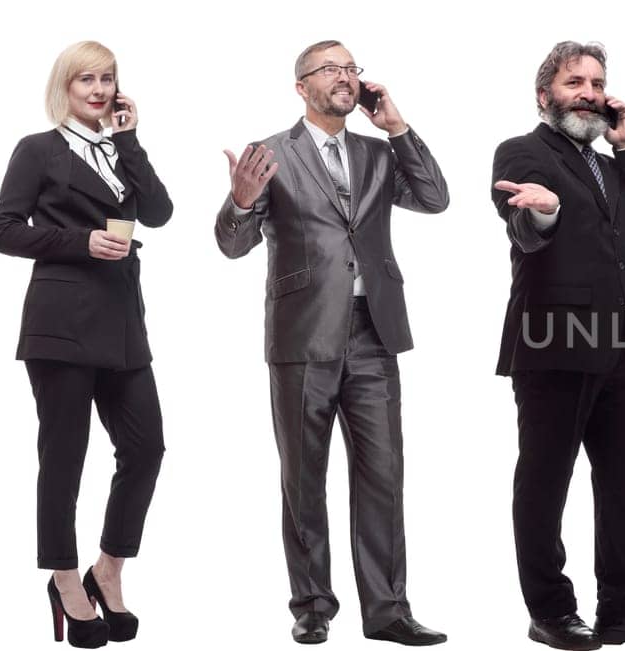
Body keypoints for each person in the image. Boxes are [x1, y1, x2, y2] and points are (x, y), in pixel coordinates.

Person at [214, 39, 449, 646]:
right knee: (304, 476)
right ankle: (313, 604)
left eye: (352, 69)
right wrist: (241, 201)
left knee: (383, 474)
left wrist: (398, 128)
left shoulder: (377, 152)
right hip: (302, 334)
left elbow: (434, 198)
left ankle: (389, 610)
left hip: (374, 329)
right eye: (331, 69)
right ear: (302, 86)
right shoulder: (270, 153)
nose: (345, 78)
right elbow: (232, 244)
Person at [491, 40, 625, 651]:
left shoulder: (610, 161)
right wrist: (544, 211)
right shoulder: (523, 151)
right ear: (544, 94)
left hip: (620, 343)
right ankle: (550, 610)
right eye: (574, 80)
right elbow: (521, 227)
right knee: (546, 480)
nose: (589, 91)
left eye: (597, 81)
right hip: (552, 341)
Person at [0, 40, 171, 649]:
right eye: (84, 80)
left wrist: (130, 140)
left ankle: (108, 569)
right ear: (64, 87)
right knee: (64, 459)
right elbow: (3, 230)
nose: (97, 90)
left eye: (107, 79)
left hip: (123, 324)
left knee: (146, 449)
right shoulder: (38, 150)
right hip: (62, 322)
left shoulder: (119, 151)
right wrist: (79, 242)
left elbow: (161, 212)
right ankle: (65, 579)